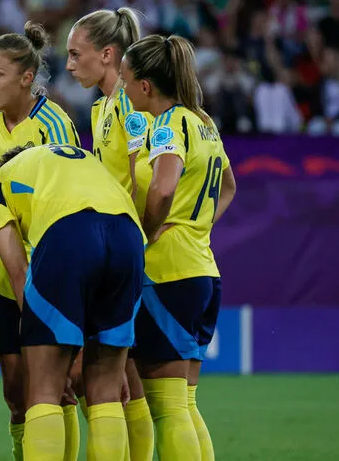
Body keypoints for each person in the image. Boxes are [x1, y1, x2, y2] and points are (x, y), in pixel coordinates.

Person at [0, 22, 80, 461]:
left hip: (52, 272)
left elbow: (71, 205)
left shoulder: (55, 126)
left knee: (59, 388)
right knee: (15, 392)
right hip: (7, 276)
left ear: (27, 77)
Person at [0, 143, 146, 461]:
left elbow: (17, 271)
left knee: (44, 389)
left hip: (68, 236)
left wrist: (52, 362)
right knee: (107, 392)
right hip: (129, 237)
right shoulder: (76, 159)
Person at [121, 35, 238, 461]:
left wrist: (149, 232)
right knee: (184, 404)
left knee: (167, 410)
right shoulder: (202, 121)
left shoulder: (169, 124)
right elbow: (229, 187)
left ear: (146, 86)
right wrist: (197, 226)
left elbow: (164, 186)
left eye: (126, 80)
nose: (124, 88)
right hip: (202, 269)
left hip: (167, 271)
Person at [66, 8, 154, 460]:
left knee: (111, 376)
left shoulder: (132, 106)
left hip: (126, 254)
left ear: (106, 54)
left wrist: (134, 239)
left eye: (75, 53)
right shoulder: (102, 106)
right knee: (124, 376)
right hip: (110, 250)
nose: (68, 64)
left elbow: (144, 178)